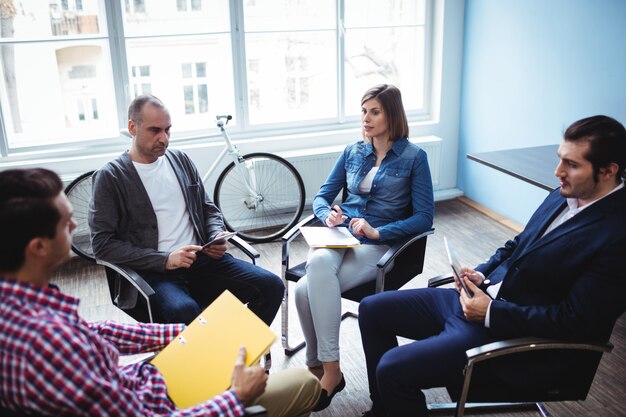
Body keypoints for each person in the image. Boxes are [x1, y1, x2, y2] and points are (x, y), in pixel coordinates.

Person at [358, 115, 626, 417]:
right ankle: (387, 408)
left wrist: (492, 313)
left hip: (510, 333)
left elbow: (577, 322)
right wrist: (482, 271)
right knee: (371, 308)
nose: (557, 172)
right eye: (560, 159)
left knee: (393, 368)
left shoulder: (617, 237)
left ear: (608, 171)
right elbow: (518, 245)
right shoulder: (564, 195)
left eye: (572, 165)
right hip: (480, 300)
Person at [0, 168, 321, 417]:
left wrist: (178, 334)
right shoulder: (49, 343)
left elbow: (93, 331)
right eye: (66, 222)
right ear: (38, 247)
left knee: (263, 289)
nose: (73, 228)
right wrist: (236, 398)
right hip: (159, 398)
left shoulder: (21, 306)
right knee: (304, 384)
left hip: (141, 379)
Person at [294, 84, 435, 411]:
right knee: (314, 271)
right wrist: (327, 215)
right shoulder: (353, 151)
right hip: (342, 234)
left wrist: (379, 230)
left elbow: (425, 216)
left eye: (375, 111)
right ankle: (326, 369)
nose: (366, 118)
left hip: (378, 242)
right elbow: (322, 195)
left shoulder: (415, 157)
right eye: (364, 111)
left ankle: (322, 368)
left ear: (392, 115)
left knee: (304, 291)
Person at [89, 95, 284, 326]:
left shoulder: (180, 160)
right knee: (184, 311)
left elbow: (207, 208)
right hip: (155, 272)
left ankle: (236, 355)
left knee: (271, 286)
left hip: (201, 262)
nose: (164, 138)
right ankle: (209, 358)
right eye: (155, 130)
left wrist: (214, 235)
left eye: (168, 130)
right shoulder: (110, 177)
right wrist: (165, 260)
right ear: (132, 127)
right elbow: (102, 245)